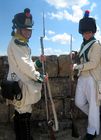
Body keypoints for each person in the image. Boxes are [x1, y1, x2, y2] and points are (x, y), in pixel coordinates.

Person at [7, 8, 47, 140]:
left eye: (29, 30)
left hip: (18, 82)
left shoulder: (21, 43)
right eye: (25, 29)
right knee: (24, 113)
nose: (28, 32)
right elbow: (25, 66)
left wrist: (38, 64)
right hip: (22, 84)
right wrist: (40, 77)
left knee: (19, 112)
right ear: (18, 29)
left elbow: (27, 64)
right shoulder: (17, 43)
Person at [73, 10, 101, 140]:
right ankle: (96, 117)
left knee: (93, 105)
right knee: (79, 102)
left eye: (89, 32)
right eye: (84, 32)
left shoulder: (96, 45)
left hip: (93, 78)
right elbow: (82, 58)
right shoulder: (83, 45)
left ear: (93, 32)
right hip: (83, 77)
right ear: (82, 33)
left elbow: (93, 63)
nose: (86, 34)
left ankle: (92, 131)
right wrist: (76, 57)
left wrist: (79, 66)